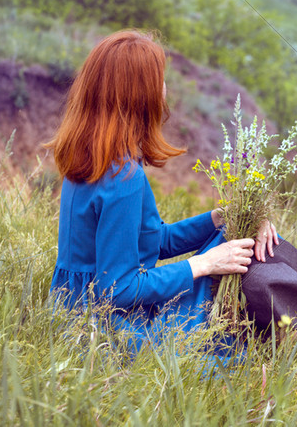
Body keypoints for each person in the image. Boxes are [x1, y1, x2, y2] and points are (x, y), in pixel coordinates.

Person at [45, 29, 279, 360]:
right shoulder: (123, 177)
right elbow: (119, 289)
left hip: (71, 311)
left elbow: (152, 242)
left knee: (238, 237)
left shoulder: (91, 158)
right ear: (138, 95)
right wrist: (203, 264)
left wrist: (220, 219)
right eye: (161, 79)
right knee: (234, 359)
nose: (166, 88)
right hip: (105, 330)